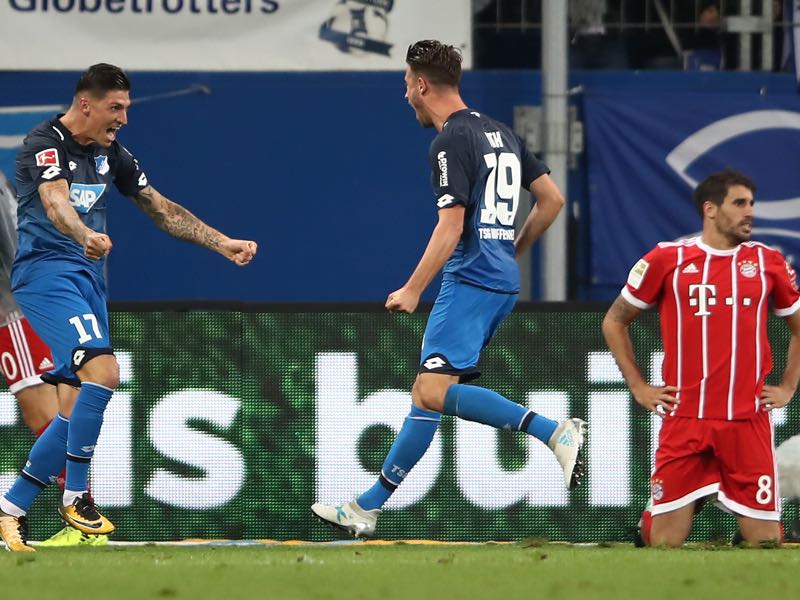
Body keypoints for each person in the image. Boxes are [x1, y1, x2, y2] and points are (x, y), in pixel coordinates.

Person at [311, 40, 586, 538]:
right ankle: (366, 508)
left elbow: (450, 227)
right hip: (499, 279)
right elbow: (551, 199)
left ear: (421, 84)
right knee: (426, 394)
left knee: (434, 390)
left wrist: (414, 288)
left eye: (405, 86)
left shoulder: (449, 140)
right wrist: (511, 251)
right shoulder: (499, 130)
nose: (405, 98)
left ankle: (551, 431)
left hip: (470, 277)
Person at [0, 64, 257, 552]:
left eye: (126, 109)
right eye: (115, 108)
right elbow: (55, 204)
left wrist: (221, 243)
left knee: (75, 407)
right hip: (46, 275)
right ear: (86, 104)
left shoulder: (111, 154)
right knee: (105, 372)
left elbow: (159, 207)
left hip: (87, 280)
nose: (122, 119)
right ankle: (76, 497)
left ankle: (9, 509)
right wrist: (83, 234)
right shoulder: (44, 144)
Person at [602, 169, 800, 548]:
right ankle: (662, 513)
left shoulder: (768, 263)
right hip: (686, 422)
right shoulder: (667, 258)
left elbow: (798, 326)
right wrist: (639, 386)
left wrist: (788, 386)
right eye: (739, 203)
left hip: (747, 423)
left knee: (765, 544)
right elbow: (614, 320)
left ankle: (723, 506)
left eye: (752, 204)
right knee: (663, 544)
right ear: (710, 209)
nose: (749, 212)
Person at [0, 169, 107, 549]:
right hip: (16, 311)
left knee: (48, 415)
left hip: (18, 312)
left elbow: (19, 244)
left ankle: (81, 524)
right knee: (54, 415)